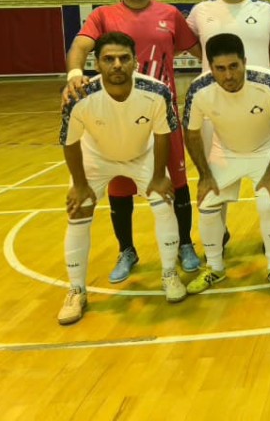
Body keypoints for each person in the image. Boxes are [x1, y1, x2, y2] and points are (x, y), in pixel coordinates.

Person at [64, 0, 201, 282]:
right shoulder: (103, 15)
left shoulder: (170, 14)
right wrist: (74, 74)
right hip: (119, 116)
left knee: (176, 183)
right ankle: (126, 249)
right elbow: (80, 47)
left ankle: (185, 243)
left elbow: (200, 51)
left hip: (162, 115)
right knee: (120, 185)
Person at [58, 32, 186, 325]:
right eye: (109, 59)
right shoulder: (80, 96)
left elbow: (162, 135)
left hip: (143, 155)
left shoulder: (157, 91)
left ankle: (169, 274)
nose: (117, 64)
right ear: (97, 64)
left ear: (135, 62)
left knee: (164, 201)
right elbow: (70, 142)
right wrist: (80, 185)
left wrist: (158, 176)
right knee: (78, 211)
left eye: (124, 58)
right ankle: (76, 290)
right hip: (95, 158)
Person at [182, 33, 270, 294]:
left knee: (267, 203)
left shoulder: (267, 82)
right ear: (210, 67)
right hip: (226, 152)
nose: (228, 75)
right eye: (220, 69)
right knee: (207, 203)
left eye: (234, 66)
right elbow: (191, 132)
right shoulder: (199, 89)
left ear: (245, 61)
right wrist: (205, 175)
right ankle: (215, 267)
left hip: (265, 151)